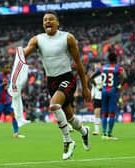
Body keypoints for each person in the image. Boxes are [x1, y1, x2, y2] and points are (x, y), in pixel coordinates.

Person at [16, 11, 91, 160]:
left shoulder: (67, 38)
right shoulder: (37, 39)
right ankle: (84, 131)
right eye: (45, 20)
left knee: (54, 105)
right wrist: (17, 59)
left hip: (67, 78)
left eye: (51, 19)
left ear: (57, 23)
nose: (48, 22)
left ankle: (68, 141)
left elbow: (78, 63)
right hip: (51, 82)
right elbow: (24, 55)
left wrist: (85, 86)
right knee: (69, 117)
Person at [91, 52, 126, 140]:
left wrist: (97, 86)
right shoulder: (118, 68)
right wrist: (119, 85)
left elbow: (91, 77)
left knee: (104, 113)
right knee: (112, 113)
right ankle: (109, 134)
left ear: (108, 59)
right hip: (113, 91)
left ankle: (103, 133)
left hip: (103, 91)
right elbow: (124, 77)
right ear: (116, 59)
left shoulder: (103, 68)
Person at [0, 62, 25, 138]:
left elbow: (10, 87)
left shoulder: (8, 77)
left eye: (9, 68)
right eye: (6, 68)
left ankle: (16, 133)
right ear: (2, 69)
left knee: (13, 115)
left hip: (7, 101)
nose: (8, 69)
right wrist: (2, 85)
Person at [8, 47, 31, 127]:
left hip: (18, 87)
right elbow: (15, 75)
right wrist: (14, 88)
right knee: (16, 104)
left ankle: (21, 119)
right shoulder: (19, 63)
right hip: (15, 87)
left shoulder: (21, 62)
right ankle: (17, 120)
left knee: (19, 103)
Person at [90, 62, 102, 135]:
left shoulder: (104, 74)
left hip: (105, 95)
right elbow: (93, 87)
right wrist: (92, 95)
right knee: (96, 113)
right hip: (97, 96)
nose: (97, 65)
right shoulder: (93, 76)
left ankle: (106, 130)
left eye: (98, 64)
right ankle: (96, 131)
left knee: (106, 113)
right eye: (96, 64)